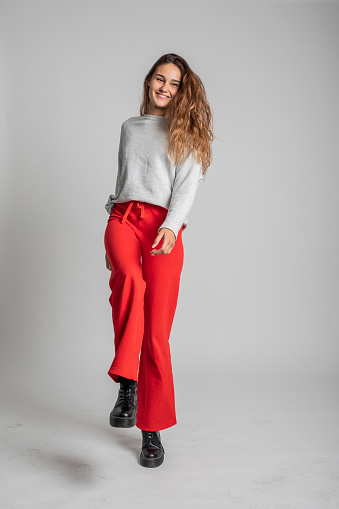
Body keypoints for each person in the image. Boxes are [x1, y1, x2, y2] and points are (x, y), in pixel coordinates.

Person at [103, 53, 214, 468]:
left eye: (174, 83)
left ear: (182, 90)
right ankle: (126, 384)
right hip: (123, 218)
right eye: (159, 79)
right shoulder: (129, 127)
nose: (165, 87)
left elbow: (185, 187)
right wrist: (110, 239)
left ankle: (151, 430)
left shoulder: (185, 131)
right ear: (149, 80)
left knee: (156, 335)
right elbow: (122, 179)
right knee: (128, 279)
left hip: (163, 227)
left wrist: (171, 226)